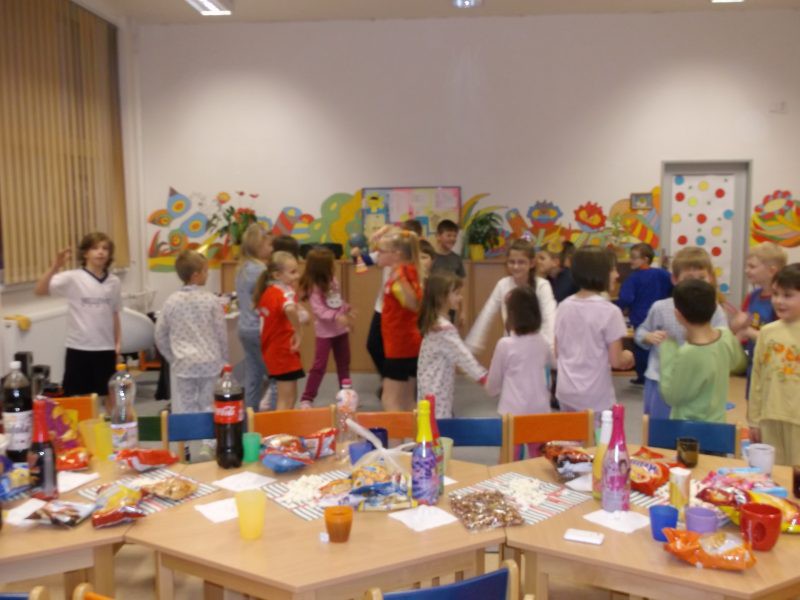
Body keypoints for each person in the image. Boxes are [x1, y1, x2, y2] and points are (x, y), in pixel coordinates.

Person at [634, 247, 729, 419]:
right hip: (661, 380)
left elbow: (723, 342)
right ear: (675, 279)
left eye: (701, 278)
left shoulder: (715, 310)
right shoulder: (661, 307)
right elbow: (641, 332)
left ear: (710, 278)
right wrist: (648, 337)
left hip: (699, 383)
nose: (695, 285)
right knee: (660, 429)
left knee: (695, 430)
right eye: (688, 279)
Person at [35, 232, 121, 397]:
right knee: (76, 397)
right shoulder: (72, 278)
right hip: (79, 348)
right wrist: (55, 266)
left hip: (105, 348)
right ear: (85, 253)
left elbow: (114, 313)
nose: (100, 252)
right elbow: (40, 290)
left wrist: (117, 344)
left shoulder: (114, 282)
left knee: (107, 396)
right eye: (95, 248)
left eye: (105, 248)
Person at [554, 246, 634, 416]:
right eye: (613, 270)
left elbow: (557, 351)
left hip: (566, 390)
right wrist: (628, 356)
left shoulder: (563, 306)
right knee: (598, 433)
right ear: (600, 273)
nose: (617, 275)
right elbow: (616, 361)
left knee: (571, 432)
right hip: (595, 395)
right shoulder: (610, 311)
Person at [659, 279, 745, 422]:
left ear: (678, 315)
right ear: (715, 307)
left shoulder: (687, 353)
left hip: (688, 427)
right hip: (718, 423)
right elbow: (739, 364)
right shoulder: (726, 336)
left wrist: (668, 349)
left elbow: (672, 397)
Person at [155, 250, 228, 413]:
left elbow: (160, 335)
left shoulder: (171, 302)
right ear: (196, 275)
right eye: (205, 271)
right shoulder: (212, 300)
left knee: (187, 406)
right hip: (210, 362)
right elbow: (221, 334)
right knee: (208, 405)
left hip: (184, 363)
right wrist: (224, 360)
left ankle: (189, 429)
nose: (208, 274)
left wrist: (172, 357)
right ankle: (207, 431)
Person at [486, 286, 553, 458]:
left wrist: (492, 390)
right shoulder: (543, 342)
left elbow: (492, 385)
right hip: (540, 412)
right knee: (539, 460)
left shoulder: (505, 345)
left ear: (511, 315)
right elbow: (552, 364)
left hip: (512, 413)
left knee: (510, 459)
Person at [466, 238, 556, 356]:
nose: (516, 266)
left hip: (536, 349)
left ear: (532, 263)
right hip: (511, 348)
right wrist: (473, 343)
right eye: (511, 262)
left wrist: (549, 349)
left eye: (521, 262)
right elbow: (487, 313)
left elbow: (549, 319)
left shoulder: (542, 286)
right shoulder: (503, 284)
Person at [749, 263, 800, 465]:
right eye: (776, 294)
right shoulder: (767, 332)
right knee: (774, 474)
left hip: (797, 420)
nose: (779, 301)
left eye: (788, 295)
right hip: (770, 418)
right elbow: (757, 377)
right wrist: (754, 420)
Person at [417, 273, 487, 418]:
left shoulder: (434, 323)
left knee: (428, 424)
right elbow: (464, 357)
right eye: (456, 293)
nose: (460, 298)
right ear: (441, 297)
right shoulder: (444, 329)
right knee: (437, 425)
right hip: (437, 394)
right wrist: (484, 378)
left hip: (428, 390)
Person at [727, 242, 788, 398]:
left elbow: (780, 339)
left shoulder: (781, 302)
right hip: (754, 361)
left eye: (752, 266)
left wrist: (747, 331)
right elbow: (736, 328)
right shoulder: (752, 296)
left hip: (775, 365)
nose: (746, 270)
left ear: (772, 270)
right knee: (753, 400)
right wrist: (737, 323)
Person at [298, 247, 353, 408]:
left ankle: (346, 395)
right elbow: (319, 311)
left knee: (344, 363)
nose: (334, 265)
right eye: (331, 263)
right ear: (322, 268)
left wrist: (346, 308)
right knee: (319, 366)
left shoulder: (333, 280)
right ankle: (307, 398)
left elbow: (335, 301)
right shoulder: (314, 287)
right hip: (325, 333)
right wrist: (337, 316)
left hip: (340, 331)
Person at [253, 251, 305, 410]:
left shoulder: (269, 292)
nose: (297, 276)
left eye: (297, 271)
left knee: (289, 397)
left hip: (274, 350)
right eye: (292, 272)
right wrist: (298, 332)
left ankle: (284, 423)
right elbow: (289, 309)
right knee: (286, 399)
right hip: (282, 351)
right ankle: (281, 426)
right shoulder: (282, 292)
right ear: (277, 275)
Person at [616, 243, 673, 384]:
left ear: (645, 259)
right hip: (661, 317)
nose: (630, 260)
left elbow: (626, 298)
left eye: (634, 257)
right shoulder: (663, 274)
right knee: (661, 346)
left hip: (641, 318)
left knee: (641, 348)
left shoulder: (633, 278)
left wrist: (616, 308)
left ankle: (643, 377)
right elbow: (675, 285)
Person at [380, 230, 423, 411]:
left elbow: (414, 304)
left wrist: (401, 282)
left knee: (389, 400)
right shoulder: (407, 270)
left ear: (396, 254)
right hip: (407, 343)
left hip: (401, 346)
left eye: (382, 251)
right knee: (406, 399)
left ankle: (397, 432)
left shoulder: (401, 275)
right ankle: (414, 429)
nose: (378, 255)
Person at [234, 224, 275, 412]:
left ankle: (250, 417)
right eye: (269, 245)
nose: (272, 249)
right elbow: (271, 300)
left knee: (253, 376)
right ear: (259, 246)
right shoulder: (260, 271)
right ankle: (272, 418)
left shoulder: (242, 268)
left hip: (245, 328)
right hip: (260, 329)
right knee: (275, 376)